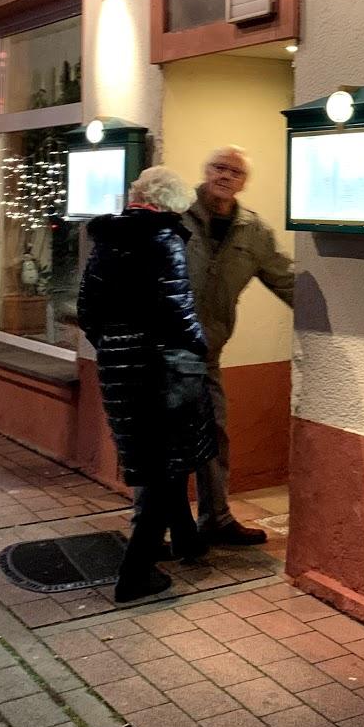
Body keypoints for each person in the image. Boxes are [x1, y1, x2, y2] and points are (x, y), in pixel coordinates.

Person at [77, 166, 216, 603]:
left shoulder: (107, 239)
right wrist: (200, 346)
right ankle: (134, 575)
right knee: (163, 466)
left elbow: (87, 309)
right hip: (163, 365)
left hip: (118, 364)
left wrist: (115, 345)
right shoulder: (163, 239)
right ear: (172, 204)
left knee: (160, 458)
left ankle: (187, 539)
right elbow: (178, 306)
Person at [182, 146, 294, 545]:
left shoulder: (254, 231)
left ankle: (216, 519)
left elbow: (285, 278)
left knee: (213, 434)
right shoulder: (175, 215)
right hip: (162, 353)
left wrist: (331, 319)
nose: (225, 176)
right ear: (206, 170)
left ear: (244, 182)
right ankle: (153, 527)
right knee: (162, 441)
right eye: (218, 167)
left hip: (207, 353)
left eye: (235, 171)